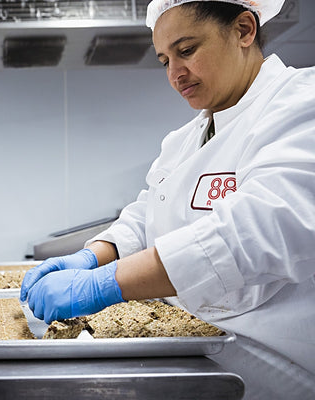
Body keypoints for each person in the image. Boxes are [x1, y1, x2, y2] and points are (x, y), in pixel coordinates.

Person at [20, 0, 315, 375]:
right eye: (164, 61)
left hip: (278, 364)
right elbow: (147, 217)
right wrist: (94, 255)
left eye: (187, 51)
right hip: (195, 347)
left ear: (243, 30)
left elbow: (261, 229)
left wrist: (103, 285)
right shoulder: (183, 140)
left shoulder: (301, 103)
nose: (175, 73)